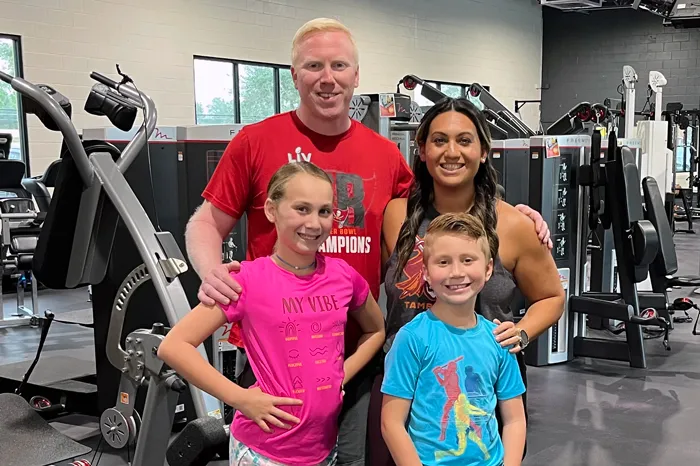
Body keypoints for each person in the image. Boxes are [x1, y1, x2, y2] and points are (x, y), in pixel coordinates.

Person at [185, 18, 551, 466]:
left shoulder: (382, 153)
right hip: (277, 353)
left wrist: (511, 213)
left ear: (356, 76)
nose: (327, 78)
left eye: (339, 65)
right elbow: (205, 224)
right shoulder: (254, 142)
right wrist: (212, 274)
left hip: (359, 352)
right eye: (313, 66)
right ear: (294, 73)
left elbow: (446, 197)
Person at [371, 97, 565, 464]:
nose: (451, 152)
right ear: (422, 150)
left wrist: (521, 332)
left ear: (484, 151)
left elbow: (552, 296)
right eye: (439, 140)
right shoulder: (396, 214)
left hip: (480, 385)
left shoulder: (513, 225)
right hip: (406, 386)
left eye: (464, 140)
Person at [158, 162, 386, 466]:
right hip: (263, 453)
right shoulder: (247, 280)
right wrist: (240, 399)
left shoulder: (343, 276)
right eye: (301, 209)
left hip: (322, 449)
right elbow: (173, 346)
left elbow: (376, 330)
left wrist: (341, 374)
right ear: (271, 210)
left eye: (324, 211)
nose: (314, 223)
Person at [381, 212, 527, 466]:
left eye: (468, 260)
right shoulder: (411, 339)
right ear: (426, 272)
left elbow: (515, 419)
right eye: (444, 262)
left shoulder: (498, 339)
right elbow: (391, 422)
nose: (457, 272)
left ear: (489, 268)